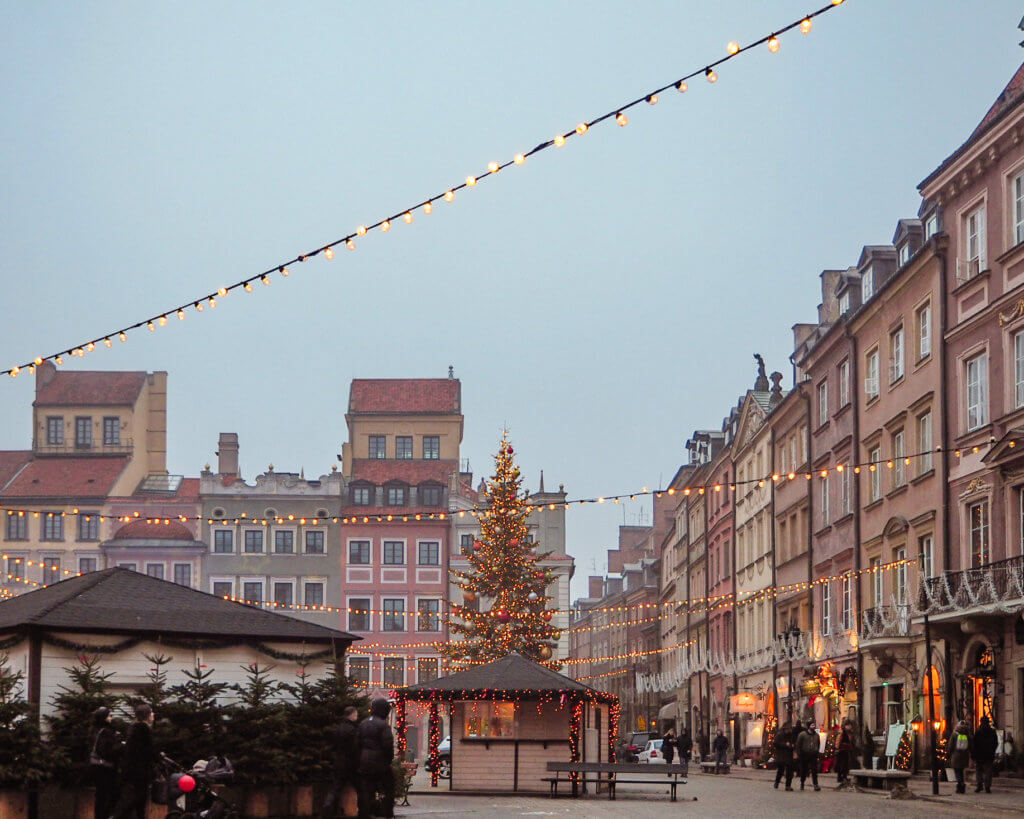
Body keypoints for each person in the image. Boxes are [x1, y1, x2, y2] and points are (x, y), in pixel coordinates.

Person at [112, 703, 156, 819]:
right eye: (151, 712)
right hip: (139, 773)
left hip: (132, 772)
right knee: (136, 801)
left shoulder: (134, 729)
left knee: (135, 801)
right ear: (146, 715)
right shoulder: (143, 729)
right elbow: (147, 751)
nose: (153, 714)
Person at [358, 698, 395, 819]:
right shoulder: (383, 726)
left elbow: (357, 744)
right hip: (380, 762)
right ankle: (387, 812)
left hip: (364, 762)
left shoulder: (363, 723)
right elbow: (387, 746)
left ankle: (365, 813)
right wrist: (388, 760)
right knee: (389, 788)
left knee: (367, 790)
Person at [322, 705, 361, 819]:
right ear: (352, 715)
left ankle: (327, 807)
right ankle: (364, 810)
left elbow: (334, 746)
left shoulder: (338, 729)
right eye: (356, 714)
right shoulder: (353, 730)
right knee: (361, 788)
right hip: (352, 764)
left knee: (336, 788)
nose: (357, 716)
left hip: (339, 762)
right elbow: (355, 749)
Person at [89, 706, 122, 819]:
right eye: (109, 715)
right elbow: (107, 751)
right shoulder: (106, 731)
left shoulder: (95, 729)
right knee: (111, 794)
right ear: (104, 718)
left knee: (100, 796)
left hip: (95, 766)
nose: (111, 718)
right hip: (105, 768)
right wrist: (120, 745)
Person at [972, 716, 998, 794]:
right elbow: (995, 743)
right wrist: (992, 750)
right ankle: (987, 786)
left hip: (979, 755)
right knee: (988, 771)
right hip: (989, 755)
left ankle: (979, 785)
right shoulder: (992, 732)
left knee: (979, 771)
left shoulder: (978, 732)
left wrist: (974, 754)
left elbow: (974, 744)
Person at [946, 719, 972, 794]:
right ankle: (961, 784)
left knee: (957, 771)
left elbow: (950, 745)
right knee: (961, 770)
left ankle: (960, 785)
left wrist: (949, 753)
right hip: (965, 755)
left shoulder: (955, 734)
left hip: (956, 755)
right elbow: (971, 745)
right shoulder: (968, 734)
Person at [796, 721, 820, 791]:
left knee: (814, 770)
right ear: (809, 726)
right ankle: (802, 783)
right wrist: (799, 753)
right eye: (812, 725)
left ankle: (815, 784)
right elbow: (798, 744)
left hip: (813, 754)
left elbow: (818, 743)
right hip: (805, 754)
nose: (814, 726)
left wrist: (817, 751)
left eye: (814, 725)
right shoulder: (802, 734)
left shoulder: (816, 735)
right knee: (804, 770)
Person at [773, 721, 795, 791]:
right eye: (788, 729)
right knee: (780, 770)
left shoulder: (791, 735)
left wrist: (792, 745)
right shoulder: (779, 735)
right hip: (781, 755)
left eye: (790, 729)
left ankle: (788, 785)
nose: (789, 731)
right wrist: (785, 744)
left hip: (789, 755)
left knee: (789, 771)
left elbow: (794, 742)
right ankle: (777, 782)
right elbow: (775, 743)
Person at [835, 721, 856, 786]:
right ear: (846, 726)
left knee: (845, 764)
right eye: (849, 725)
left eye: (850, 726)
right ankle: (840, 777)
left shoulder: (850, 733)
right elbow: (838, 740)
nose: (850, 727)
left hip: (846, 750)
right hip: (842, 750)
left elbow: (850, 741)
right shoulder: (842, 732)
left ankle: (844, 776)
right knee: (841, 764)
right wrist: (837, 748)